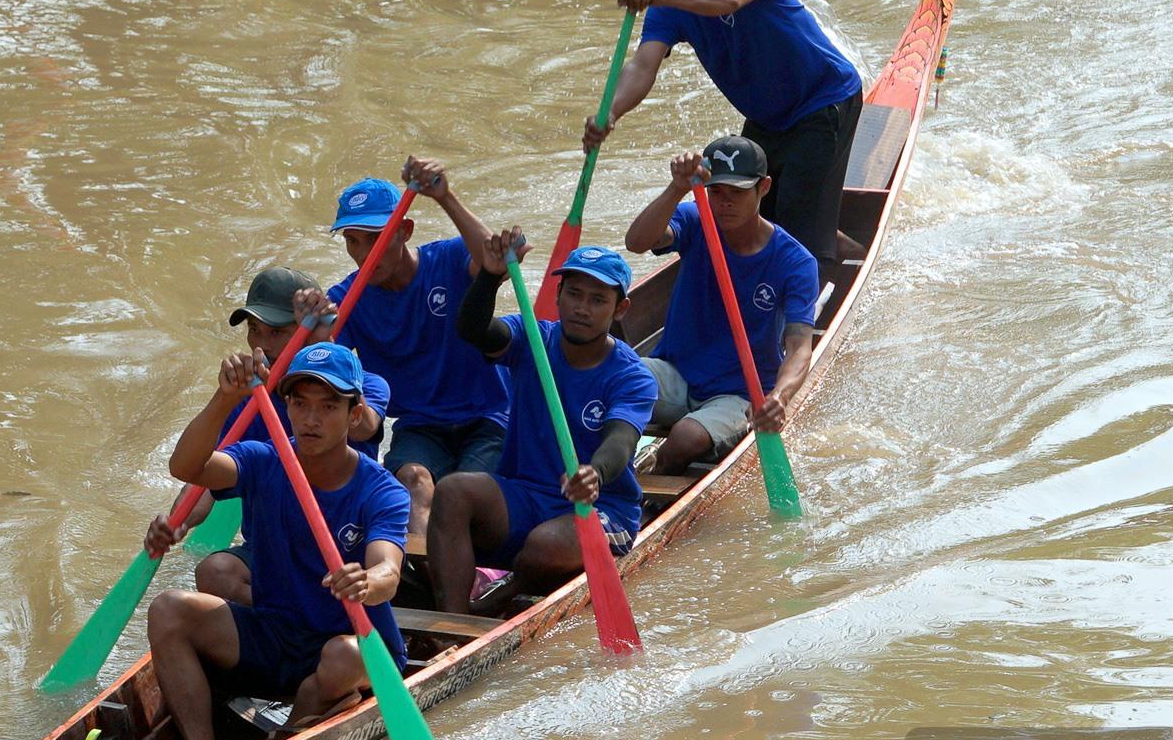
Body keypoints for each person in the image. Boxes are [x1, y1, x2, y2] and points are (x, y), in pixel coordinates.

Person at [145, 343, 411, 740]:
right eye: (300, 404)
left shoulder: (382, 491)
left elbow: (389, 572)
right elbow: (186, 467)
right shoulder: (263, 460)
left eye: (327, 406)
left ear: (354, 415)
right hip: (276, 633)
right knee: (168, 610)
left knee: (342, 657)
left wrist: (366, 581)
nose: (311, 419)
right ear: (284, 405)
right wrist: (225, 398)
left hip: (351, 651)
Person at [582, 0, 866, 277]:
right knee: (752, 216)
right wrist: (611, 112)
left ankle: (812, 303)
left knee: (797, 232)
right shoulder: (667, 5)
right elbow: (642, 66)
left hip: (824, 100)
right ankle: (849, 246)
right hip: (768, 118)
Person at [426, 234, 657, 614]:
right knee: (452, 491)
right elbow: (472, 330)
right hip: (526, 494)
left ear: (620, 309)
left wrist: (593, 473)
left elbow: (621, 442)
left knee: (543, 547)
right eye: (574, 294)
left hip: (601, 508)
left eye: (598, 300)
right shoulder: (533, 338)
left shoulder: (632, 376)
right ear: (558, 294)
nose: (582, 308)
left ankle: (503, 595)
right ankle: (453, 624)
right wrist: (489, 276)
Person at [144, 267, 389, 606]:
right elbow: (200, 476)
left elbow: (365, 427)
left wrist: (320, 345)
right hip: (272, 552)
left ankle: (294, 619)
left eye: (276, 332)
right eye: (254, 331)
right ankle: (285, 619)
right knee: (213, 572)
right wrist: (177, 523)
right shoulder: (245, 401)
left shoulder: (363, 389)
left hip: (341, 560)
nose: (261, 345)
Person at [296, 161, 509, 536]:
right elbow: (327, 377)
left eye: (375, 238)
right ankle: (425, 573)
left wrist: (445, 197)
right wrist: (312, 333)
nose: (364, 254)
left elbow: (496, 263)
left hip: (489, 415)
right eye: (352, 240)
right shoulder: (344, 300)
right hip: (420, 426)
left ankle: (459, 567)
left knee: (463, 491)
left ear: (405, 231)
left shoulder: (448, 259)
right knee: (412, 479)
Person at [624, 136, 818, 475]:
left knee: (684, 439)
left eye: (738, 193)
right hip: (676, 374)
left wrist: (779, 397)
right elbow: (637, 242)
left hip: (739, 392)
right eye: (716, 192)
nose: (724, 203)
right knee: (604, 379)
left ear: (764, 188)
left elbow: (800, 346)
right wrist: (677, 188)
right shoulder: (697, 218)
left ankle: (648, 495)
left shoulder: (795, 262)